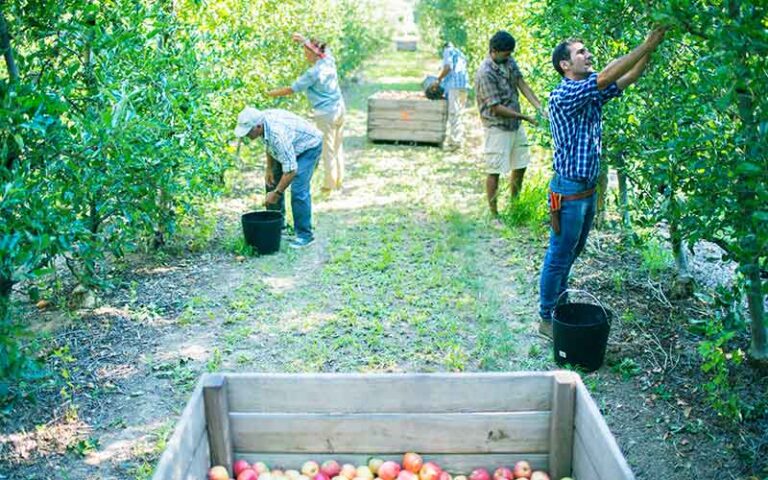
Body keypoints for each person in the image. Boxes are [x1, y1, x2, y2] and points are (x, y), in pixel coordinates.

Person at [537, 27, 667, 339]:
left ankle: (558, 305)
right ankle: (546, 317)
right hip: (568, 192)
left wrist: (652, 47)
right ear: (565, 65)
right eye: (581, 52)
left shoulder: (588, 92)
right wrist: (644, 42)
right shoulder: (565, 94)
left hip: (585, 192)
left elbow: (627, 77)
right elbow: (608, 76)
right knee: (558, 255)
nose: (588, 55)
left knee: (571, 252)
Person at [475, 31, 547, 220]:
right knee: (495, 170)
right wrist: (525, 116)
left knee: (520, 165)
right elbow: (496, 108)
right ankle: (494, 214)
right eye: (506, 54)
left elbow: (522, 84)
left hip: (515, 125)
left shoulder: (509, 62)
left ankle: (515, 206)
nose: (509, 57)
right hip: (497, 126)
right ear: (494, 51)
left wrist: (539, 107)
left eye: (510, 53)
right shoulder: (485, 73)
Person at [234, 107, 323, 249]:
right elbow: (270, 146)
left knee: (298, 189)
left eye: (248, 131)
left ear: (258, 126)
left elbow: (291, 170)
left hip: (309, 147)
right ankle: (278, 225)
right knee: (271, 181)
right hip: (290, 146)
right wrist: (269, 169)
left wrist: (277, 193)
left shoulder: (277, 134)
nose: (247, 135)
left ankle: (305, 235)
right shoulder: (263, 124)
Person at [268, 33, 345, 195]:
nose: (304, 54)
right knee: (338, 146)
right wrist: (304, 40)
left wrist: (269, 94)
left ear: (313, 53)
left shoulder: (313, 73)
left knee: (328, 148)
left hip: (326, 113)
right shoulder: (328, 61)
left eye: (306, 51)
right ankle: (338, 181)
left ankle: (329, 186)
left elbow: (291, 89)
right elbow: (324, 49)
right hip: (339, 108)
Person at [430, 42, 469, 150]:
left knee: (453, 113)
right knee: (459, 113)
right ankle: (458, 139)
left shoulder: (448, 51)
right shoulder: (460, 53)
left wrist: (438, 79)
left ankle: (455, 142)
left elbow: (448, 67)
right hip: (464, 85)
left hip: (454, 86)